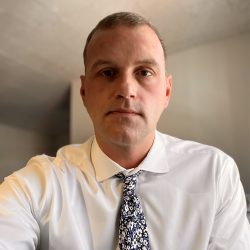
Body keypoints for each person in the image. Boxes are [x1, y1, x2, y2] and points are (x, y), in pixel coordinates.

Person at [0, 12, 249, 250]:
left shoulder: (217, 174)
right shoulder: (37, 185)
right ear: (84, 92)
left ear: (167, 92)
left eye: (144, 72)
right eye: (108, 72)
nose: (126, 89)